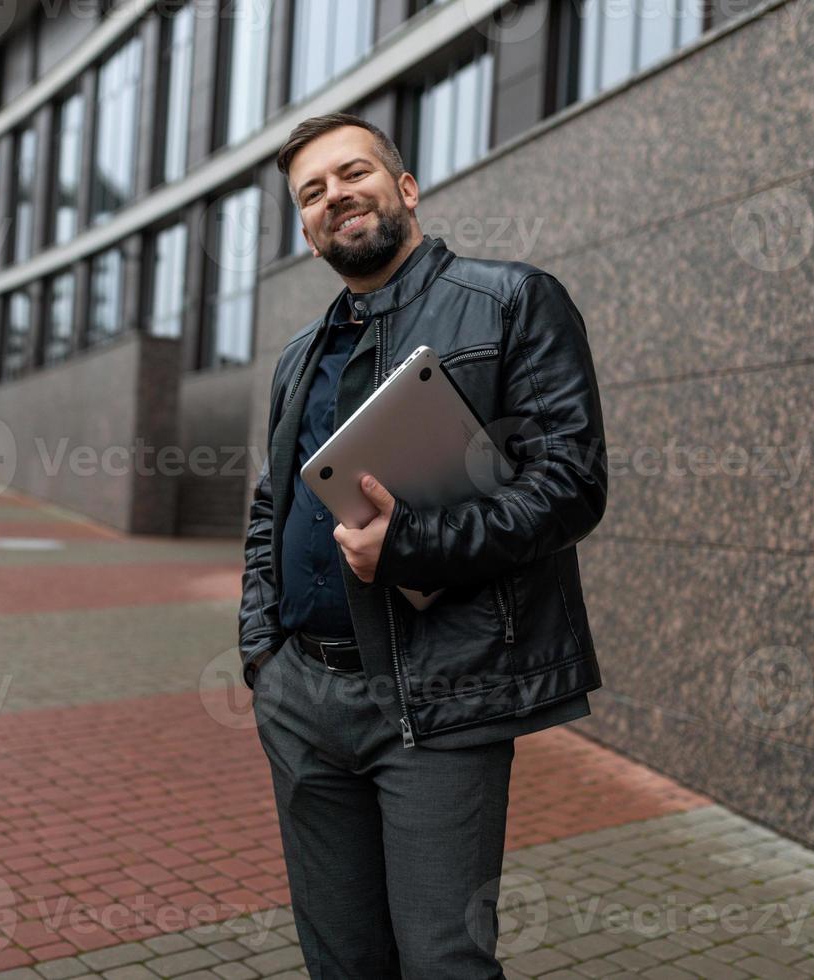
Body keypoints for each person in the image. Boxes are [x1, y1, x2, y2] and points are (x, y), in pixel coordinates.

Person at [237, 112, 608, 980]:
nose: (337, 197)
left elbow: (571, 485)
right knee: (342, 961)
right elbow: (271, 503)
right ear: (305, 227)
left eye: (353, 173)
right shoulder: (301, 353)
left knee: (444, 961)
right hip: (301, 697)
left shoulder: (512, 301)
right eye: (312, 193)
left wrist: (412, 546)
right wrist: (262, 651)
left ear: (405, 189)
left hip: (441, 697)